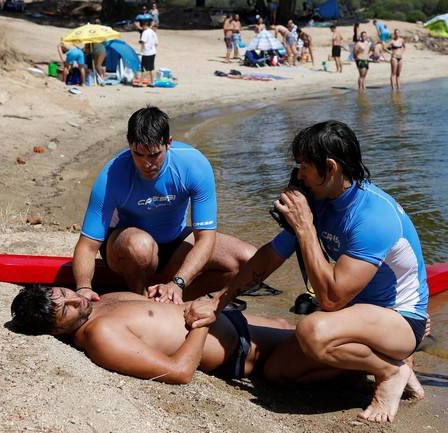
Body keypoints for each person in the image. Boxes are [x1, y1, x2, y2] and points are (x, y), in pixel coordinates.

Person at [184, 120, 429, 423]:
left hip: (400, 319)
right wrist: (218, 300)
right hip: (356, 317)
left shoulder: (373, 216)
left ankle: (391, 370)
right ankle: (377, 363)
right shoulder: (320, 200)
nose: (298, 175)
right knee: (277, 372)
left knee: (312, 331)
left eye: (304, 166)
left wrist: (305, 228)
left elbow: (330, 300)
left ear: (330, 167)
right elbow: (267, 259)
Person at [72, 106, 256, 305]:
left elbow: (205, 238)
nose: (146, 164)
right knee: (140, 246)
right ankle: (138, 298)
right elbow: (88, 246)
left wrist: (178, 283)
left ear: (169, 143)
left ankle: (173, 300)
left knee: (249, 260)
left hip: (172, 243)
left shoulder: (194, 166)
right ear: (129, 144)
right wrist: (83, 287)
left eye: (154, 155)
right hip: (124, 247)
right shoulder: (111, 176)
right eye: (138, 155)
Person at [10, 285, 297, 384]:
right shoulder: (101, 335)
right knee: (316, 343)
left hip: (229, 320)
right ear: (56, 330)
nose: (76, 300)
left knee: (290, 324)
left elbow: (162, 316)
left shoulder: (101, 302)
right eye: (67, 311)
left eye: (65, 294)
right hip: (241, 351)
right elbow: (179, 372)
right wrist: (203, 323)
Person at [139, 21, 158, 85]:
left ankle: (141, 83)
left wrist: (141, 51)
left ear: (144, 25)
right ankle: (152, 82)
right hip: (153, 52)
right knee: (151, 68)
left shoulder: (145, 32)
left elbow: (143, 43)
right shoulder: (153, 32)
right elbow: (156, 43)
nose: (142, 27)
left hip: (147, 53)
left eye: (142, 26)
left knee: (144, 69)